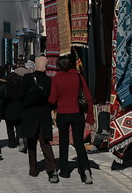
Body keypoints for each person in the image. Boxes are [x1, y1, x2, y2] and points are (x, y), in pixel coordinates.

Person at [48, 55, 95, 185]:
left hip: (62, 114)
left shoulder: (56, 79)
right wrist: (90, 118)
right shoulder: (79, 77)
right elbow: (88, 97)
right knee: (79, 143)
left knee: (63, 142)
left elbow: (52, 99)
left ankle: (65, 171)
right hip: (77, 114)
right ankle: (86, 170)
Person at [21, 56, 59, 183]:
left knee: (31, 143)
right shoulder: (49, 81)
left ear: (35, 65)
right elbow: (53, 101)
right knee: (45, 143)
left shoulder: (27, 78)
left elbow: (21, 96)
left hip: (30, 114)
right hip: (44, 114)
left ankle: (33, 170)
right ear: (46, 66)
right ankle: (52, 169)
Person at [4, 71, 26, 152]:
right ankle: (20, 138)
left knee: (9, 127)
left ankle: (12, 143)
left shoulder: (7, 86)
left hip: (9, 107)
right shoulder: (21, 84)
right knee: (19, 125)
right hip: (19, 107)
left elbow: (5, 96)